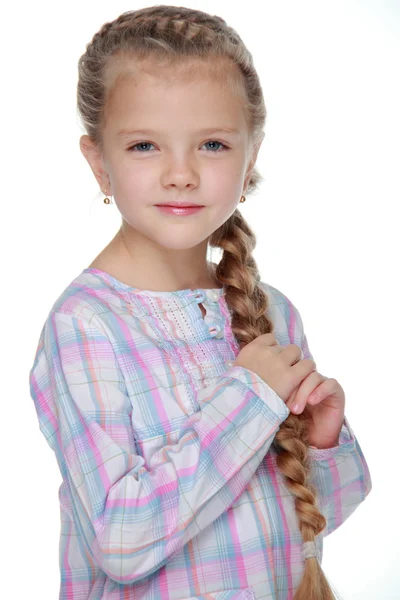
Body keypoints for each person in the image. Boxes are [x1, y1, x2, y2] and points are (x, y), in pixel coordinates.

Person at [28, 5, 372, 600]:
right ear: (98, 163)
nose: (181, 174)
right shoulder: (86, 326)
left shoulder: (272, 312)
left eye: (212, 144)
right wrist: (250, 399)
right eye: (144, 146)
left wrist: (321, 442)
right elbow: (121, 543)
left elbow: (307, 529)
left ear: (250, 159)